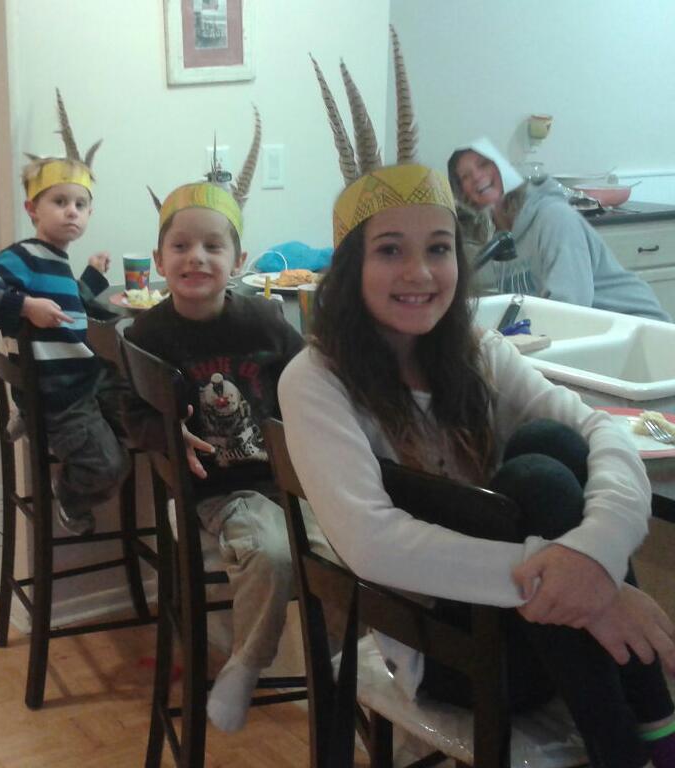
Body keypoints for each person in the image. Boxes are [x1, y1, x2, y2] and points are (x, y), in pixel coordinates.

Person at [280, 33, 675, 768]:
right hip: (445, 651)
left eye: (437, 248)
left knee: (549, 454)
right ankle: (648, 733)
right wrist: (576, 582)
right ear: (349, 268)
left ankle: (636, 741)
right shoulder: (315, 378)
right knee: (538, 476)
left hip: (528, 622)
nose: (420, 272)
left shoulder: (478, 351)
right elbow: (373, 543)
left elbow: (603, 433)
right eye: (389, 250)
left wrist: (592, 557)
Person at [123, 107, 330, 733]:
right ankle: (246, 664)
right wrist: (165, 434)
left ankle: (369, 666)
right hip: (218, 492)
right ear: (159, 260)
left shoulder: (265, 321)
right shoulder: (147, 335)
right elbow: (124, 408)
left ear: (238, 261)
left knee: (364, 541)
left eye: (213, 246)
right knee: (272, 553)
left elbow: (306, 383)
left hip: (286, 480)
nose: (197, 257)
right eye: (181, 246)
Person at [0, 89, 130, 536]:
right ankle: (68, 494)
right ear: (32, 209)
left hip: (81, 380)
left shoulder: (54, 258)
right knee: (109, 465)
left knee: (137, 409)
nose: (72, 212)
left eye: (81, 205)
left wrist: (90, 279)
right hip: (61, 397)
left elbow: (65, 307)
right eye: (60, 202)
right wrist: (25, 307)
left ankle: (28, 411)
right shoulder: (25, 256)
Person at [447, 137, 671, 322]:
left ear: (502, 168)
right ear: (462, 192)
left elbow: (569, 311)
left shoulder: (554, 218)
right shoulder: (498, 238)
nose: (476, 176)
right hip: (586, 333)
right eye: (465, 176)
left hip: (636, 329)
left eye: (483, 165)